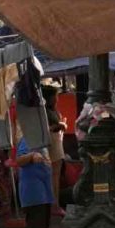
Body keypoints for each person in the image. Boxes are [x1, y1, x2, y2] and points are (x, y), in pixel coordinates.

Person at [15, 127, 55, 228]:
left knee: (40, 224)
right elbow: (19, 160)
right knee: (33, 224)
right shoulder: (28, 140)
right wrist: (31, 156)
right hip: (33, 189)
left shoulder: (41, 141)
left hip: (43, 190)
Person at [46, 87, 67, 217]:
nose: (57, 98)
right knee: (54, 176)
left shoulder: (52, 110)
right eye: (56, 96)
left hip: (57, 142)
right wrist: (60, 125)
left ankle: (54, 204)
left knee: (54, 176)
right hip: (53, 143)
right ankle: (55, 205)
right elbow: (48, 128)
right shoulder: (46, 112)